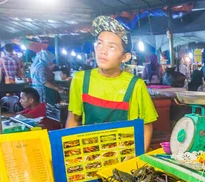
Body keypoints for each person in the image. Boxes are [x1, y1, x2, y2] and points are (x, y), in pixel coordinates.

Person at [66, 16, 158, 151]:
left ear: (125, 57)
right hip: (90, 155)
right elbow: (73, 119)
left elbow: (146, 125)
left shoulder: (135, 85)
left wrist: (136, 161)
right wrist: (69, 153)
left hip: (124, 156)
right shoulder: (81, 79)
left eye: (112, 47)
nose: (103, 51)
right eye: (99, 44)